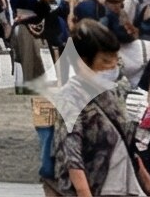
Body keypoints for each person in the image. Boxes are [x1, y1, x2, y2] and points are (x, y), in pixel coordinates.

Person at [55, 19, 141, 197]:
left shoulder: (113, 91)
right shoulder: (70, 97)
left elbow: (128, 143)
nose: (113, 66)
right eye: (106, 60)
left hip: (127, 187)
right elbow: (72, 159)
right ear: (83, 61)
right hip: (98, 188)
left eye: (115, 59)